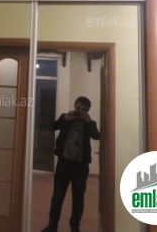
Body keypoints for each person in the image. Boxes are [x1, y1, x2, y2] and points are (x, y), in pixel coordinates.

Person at [41, 96, 101, 232]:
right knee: (57, 195)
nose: (79, 111)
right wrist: (65, 119)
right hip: (64, 163)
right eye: (77, 108)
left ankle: (75, 227)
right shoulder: (66, 117)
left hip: (81, 166)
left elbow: (96, 136)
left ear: (87, 111)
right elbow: (53, 126)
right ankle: (52, 226)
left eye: (83, 110)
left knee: (78, 198)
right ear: (74, 106)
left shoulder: (90, 122)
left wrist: (89, 121)